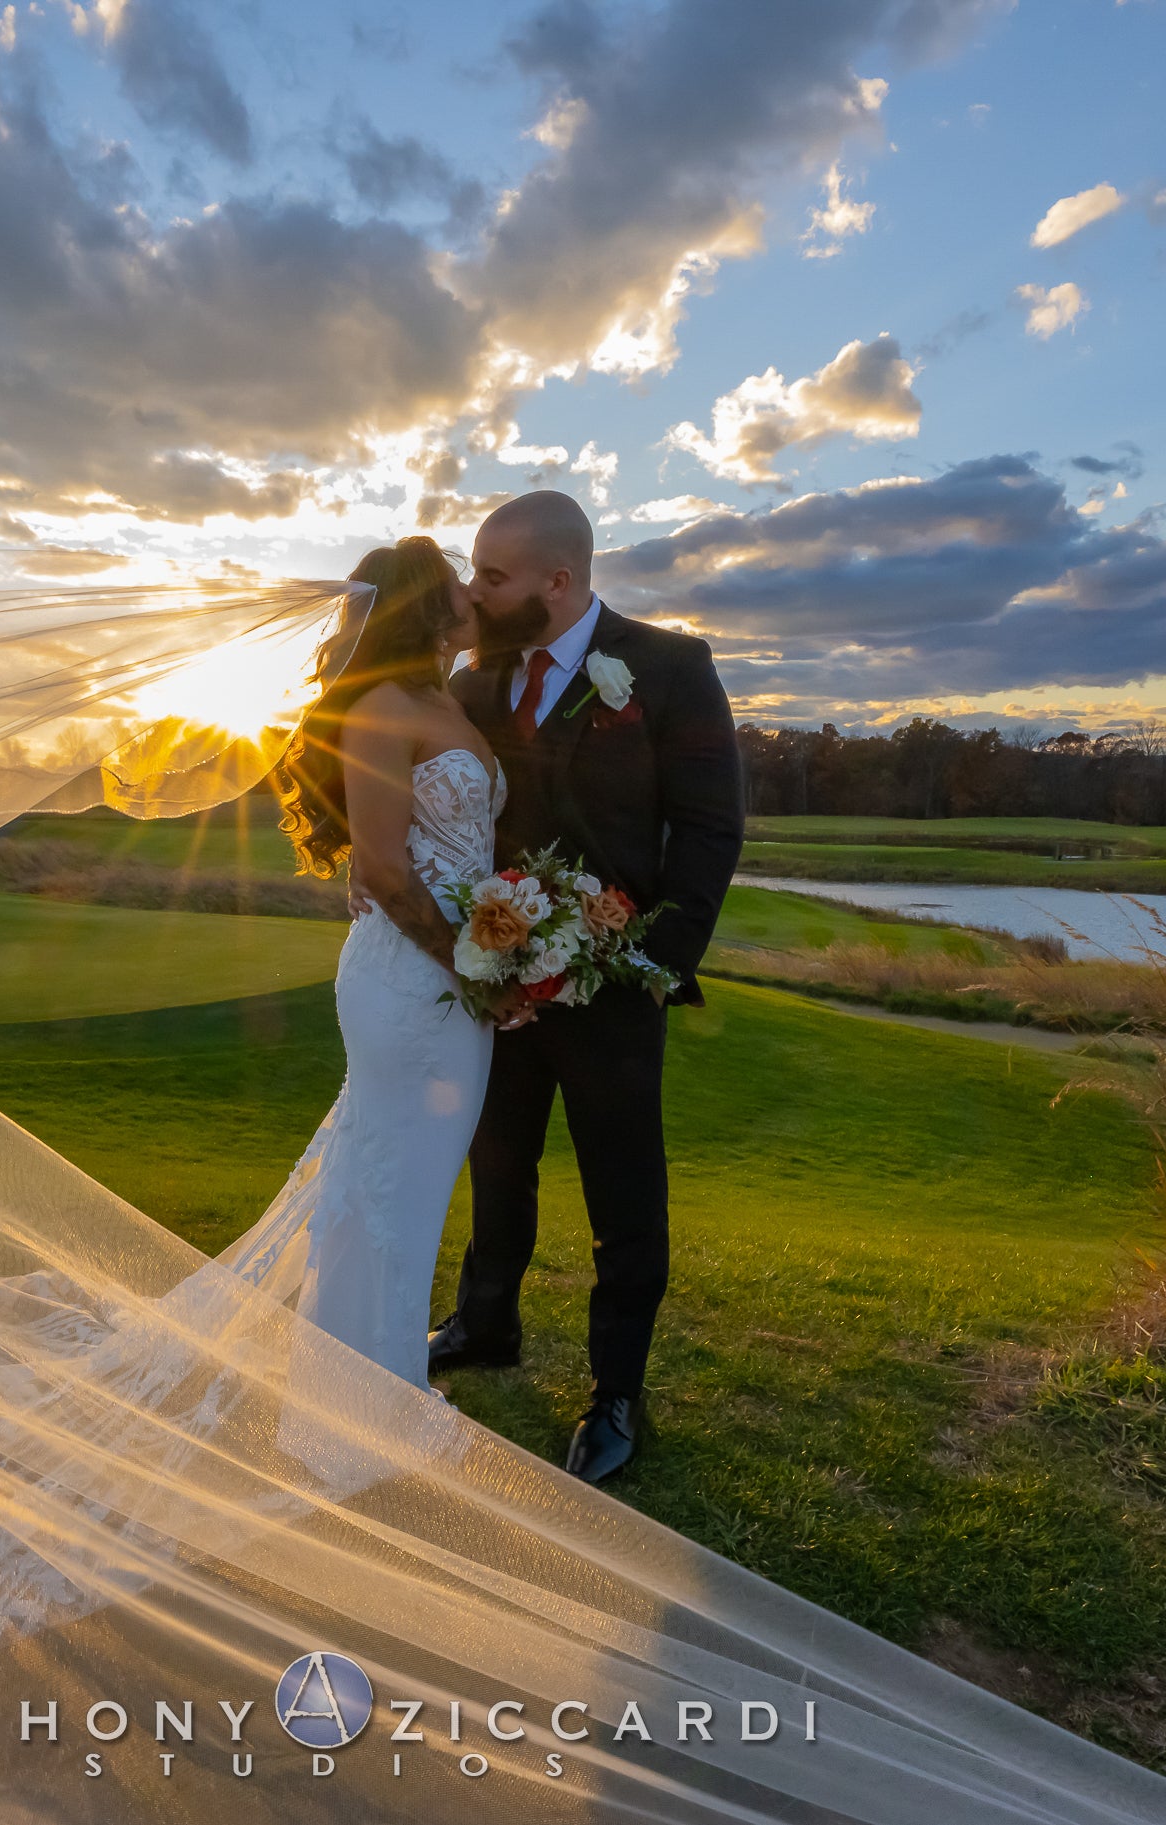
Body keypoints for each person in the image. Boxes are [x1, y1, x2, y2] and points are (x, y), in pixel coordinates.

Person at [428, 489, 746, 1484]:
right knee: (497, 1162)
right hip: (502, 982)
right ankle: (487, 1325)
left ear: (556, 582)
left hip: (615, 985)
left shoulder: (667, 668)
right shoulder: (473, 681)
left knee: (622, 1192)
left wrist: (653, 964)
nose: (474, 592)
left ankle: (616, 1391)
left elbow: (706, 830)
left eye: (491, 575)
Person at [266, 536, 501, 1385]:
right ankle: (366, 1406)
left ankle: (355, 1386)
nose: (475, 594)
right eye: (459, 585)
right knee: (392, 1195)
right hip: (410, 983)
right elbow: (387, 870)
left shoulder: (447, 698)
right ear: (428, 608)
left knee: (399, 1192)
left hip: (450, 980)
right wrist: (473, 967)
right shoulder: (380, 708)